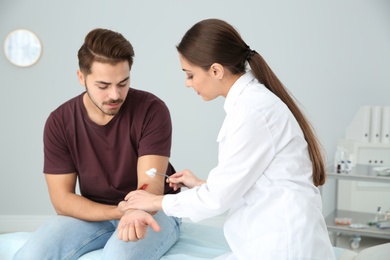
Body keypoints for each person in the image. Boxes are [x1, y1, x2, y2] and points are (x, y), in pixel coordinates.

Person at [119, 19, 336, 259]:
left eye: (190, 75)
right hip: (277, 236)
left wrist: (156, 202)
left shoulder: (251, 112)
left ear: (215, 70)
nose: (187, 84)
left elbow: (216, 200)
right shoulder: (253, 103)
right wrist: (201, 184)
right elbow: (254, 182)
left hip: (283, 245)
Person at [14, 28, 180, 260]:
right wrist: (118, 211)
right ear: (81, 77)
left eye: (123, 83)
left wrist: (133, 211)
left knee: (117, 256)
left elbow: (149, 185)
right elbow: (62, 200)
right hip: (95, 213)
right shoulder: (60, 121)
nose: (115, 94)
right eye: (103, 86)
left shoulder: (152, 110)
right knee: (32, 255)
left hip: (153, 208)